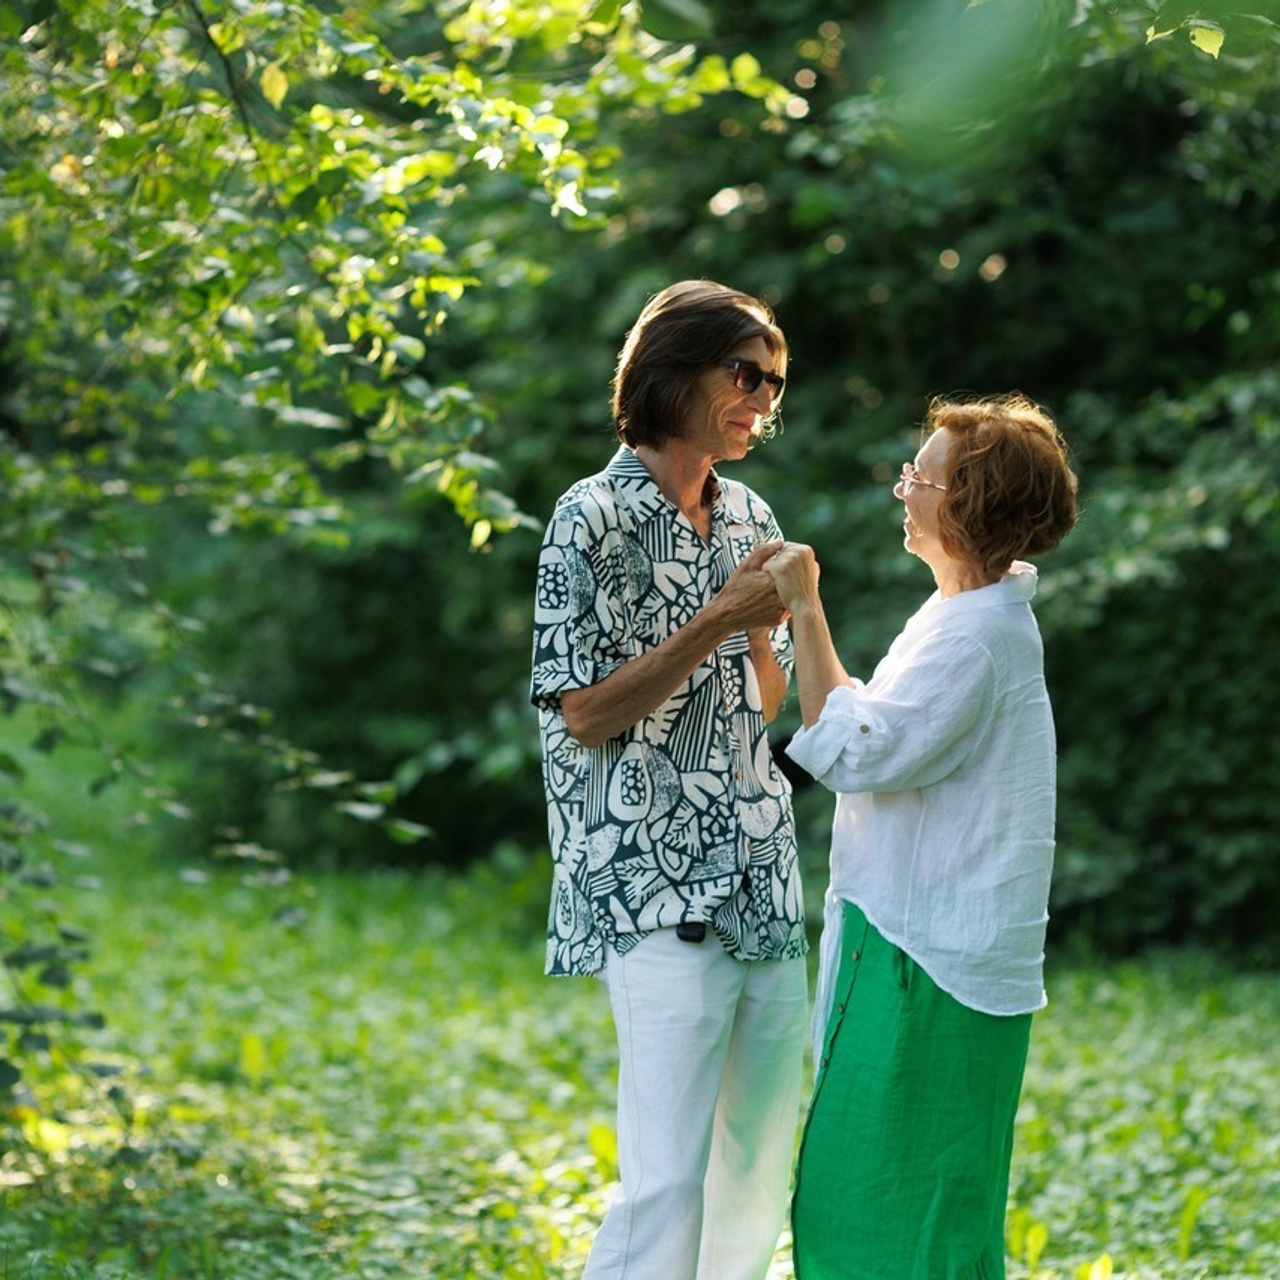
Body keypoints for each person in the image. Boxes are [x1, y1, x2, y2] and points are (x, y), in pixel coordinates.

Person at [530, 280, 809, 1279]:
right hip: (650, 893)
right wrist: (714, 624)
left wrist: (766, 639)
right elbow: (582, 713)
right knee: (665, 1185)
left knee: (754, 1173)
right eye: (745, 375)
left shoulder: (750, 512)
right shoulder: (587, 516)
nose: (761, 401)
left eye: (774, 383)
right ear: (672, 369)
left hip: (762, 886)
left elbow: (758, 702)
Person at [765, 393, 1078, 1279]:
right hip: (923, 942)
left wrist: (805, 606)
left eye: (921, 477)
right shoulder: (964, 617)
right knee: (900, 1196)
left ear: (969, 504)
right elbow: (880, 729)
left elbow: (861, 753)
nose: (904, 489)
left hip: (926, 954)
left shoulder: (976, 635)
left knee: (886, 1206)